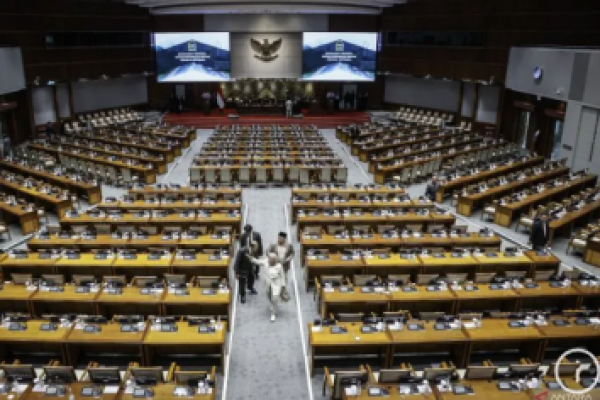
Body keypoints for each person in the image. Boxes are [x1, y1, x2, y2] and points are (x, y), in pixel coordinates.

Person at [252, 253, 285, 322]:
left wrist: (283, 286)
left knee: (274, 298)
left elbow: (282, 276)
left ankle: (273, 314)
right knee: (269, 295)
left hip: (276, 284)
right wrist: (251, 258)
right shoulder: (265, 262)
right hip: (268, 284)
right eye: (270, 260)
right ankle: (271, 303)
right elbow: (257, 262)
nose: (271, 261)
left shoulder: (279, 266)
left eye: (273, 260)